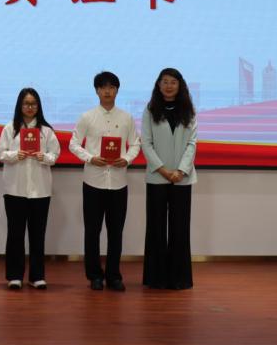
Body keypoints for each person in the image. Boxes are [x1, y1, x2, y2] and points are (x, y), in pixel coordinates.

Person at [69, 71, 140, 291]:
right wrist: (90, 158)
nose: (107, 91)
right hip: (93, 182)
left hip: (118, 183)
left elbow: (135, 144)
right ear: (97, 91)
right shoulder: (87, 117)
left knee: (115, 232)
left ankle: (114, 276)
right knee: (92, 231)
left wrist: (126, 159)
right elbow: (73, 144)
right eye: (103, 87)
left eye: (111, 87)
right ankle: (94, 276)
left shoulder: (126, 118)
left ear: (117, 90)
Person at [0, 88, 60, 290]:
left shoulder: (46, 131)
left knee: (37, 235)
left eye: (33, 104)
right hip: (15, 190)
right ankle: (14, 276)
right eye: (26, 104)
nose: (30, 107)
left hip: (40, 191)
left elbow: (55, 155)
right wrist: (15, 155)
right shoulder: (10, 129)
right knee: (15, 234)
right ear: (19, 106)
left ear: (38, 106)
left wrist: (44, 157)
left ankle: (37, 276)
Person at [141, 68, 198, 290]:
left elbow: (192, 143)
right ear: (158, 85)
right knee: (156, 228)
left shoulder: (189, 110)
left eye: (173, 82)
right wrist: (163, 170)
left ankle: (179, 278)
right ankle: (156, 278)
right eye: (164, 81)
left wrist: (181, 171)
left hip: (182, 179)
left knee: (179, 228)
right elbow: (146, 143)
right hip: (157, 177)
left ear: (179, 85)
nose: (168, 86)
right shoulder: (150, 109)